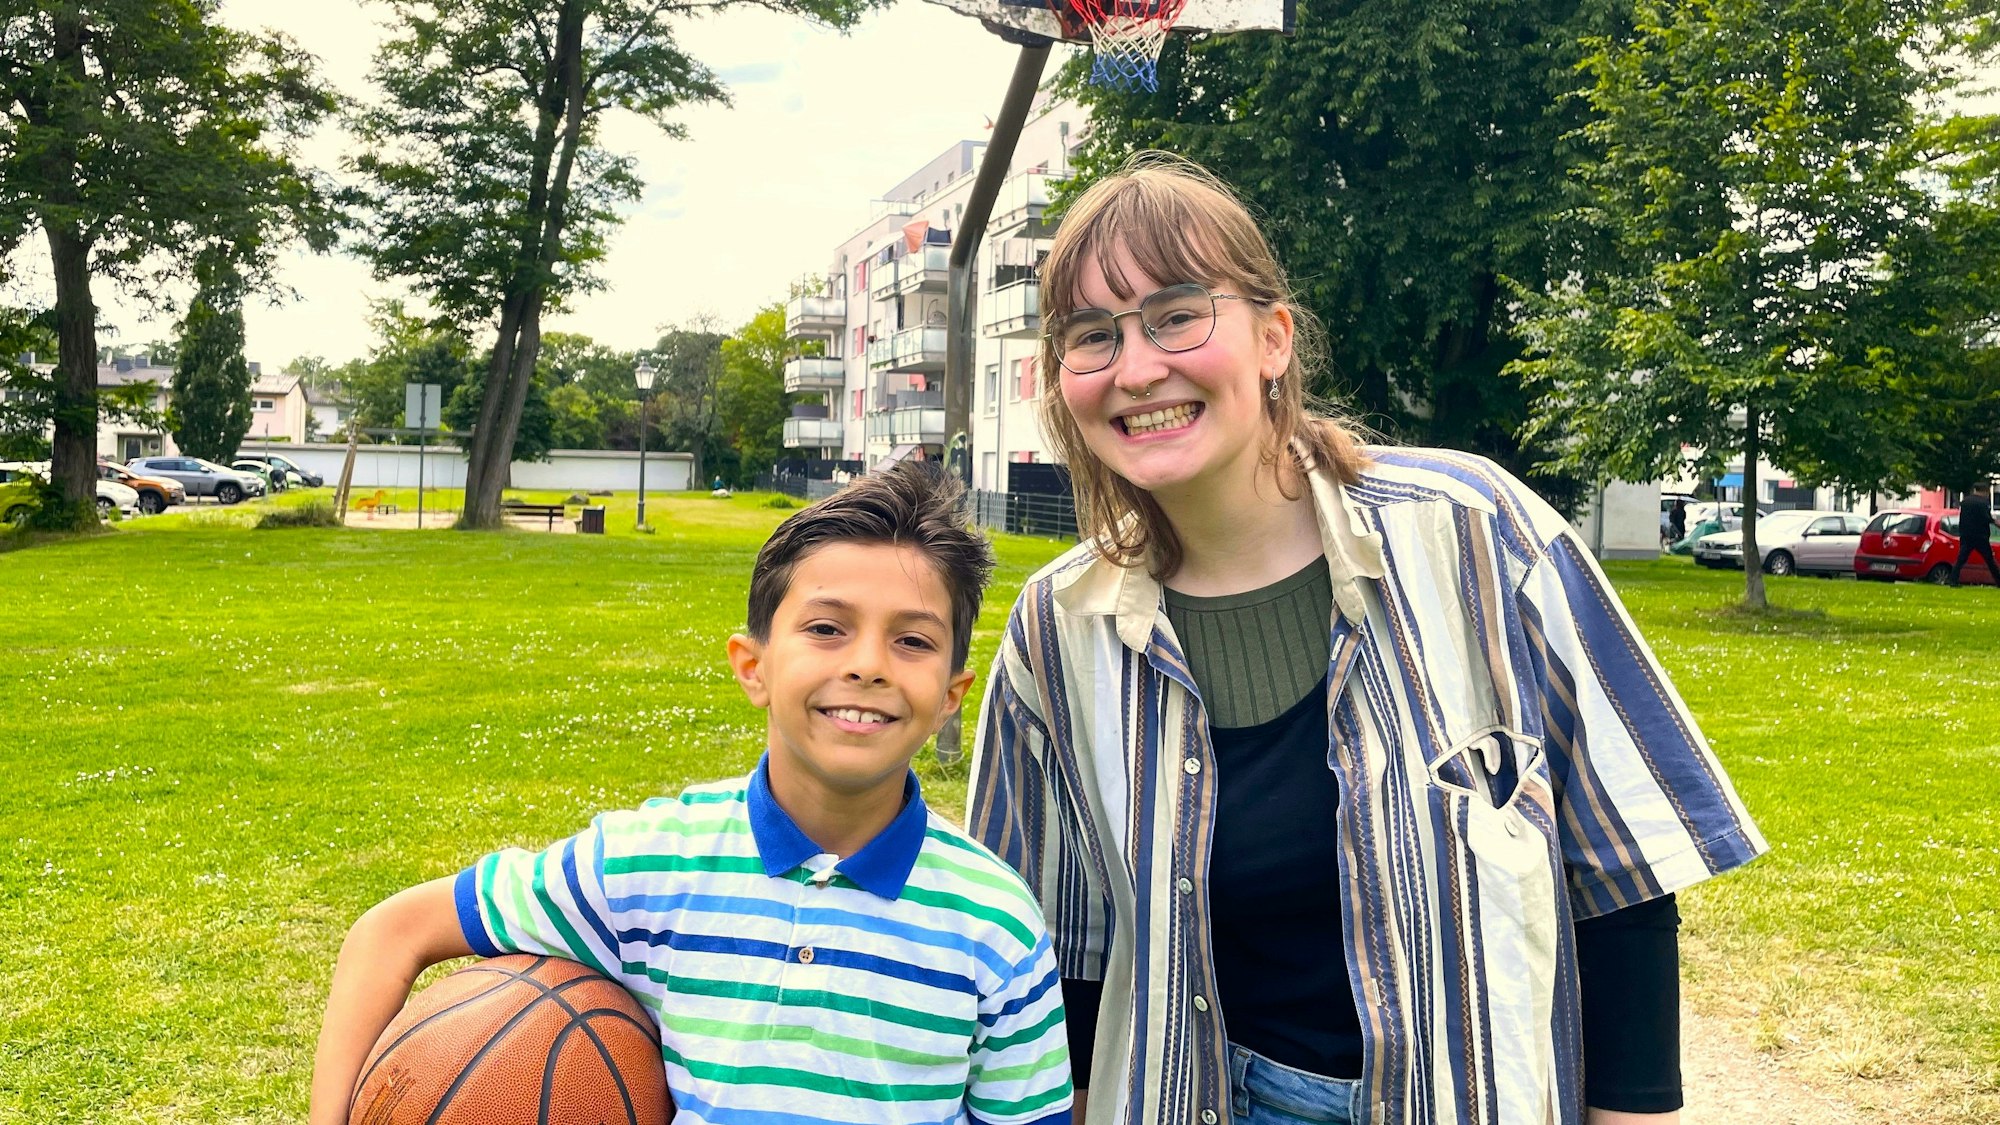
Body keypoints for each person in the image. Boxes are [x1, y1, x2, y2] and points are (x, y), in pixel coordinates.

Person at [966, 154, 1766, 1125]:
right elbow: (1062, 954)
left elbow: (1621, 878)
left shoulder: (1480, 535)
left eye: (1176, 314)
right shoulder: (1058, 631)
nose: (1136, 368)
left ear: (1271, 339)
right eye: (1092, 335)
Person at [309, 465, 1073, 1125]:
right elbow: (391, 932)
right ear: (753, 666)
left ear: (950, 695)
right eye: (827, 628)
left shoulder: (995, 922)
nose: (869, 664)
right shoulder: (649, 863)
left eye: (912, 640)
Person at [1950, 483, 1996, 586]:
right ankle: (1998, 580)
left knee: (1961, 559)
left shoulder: (1965, 502)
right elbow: (1986, 518)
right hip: (1980, 536)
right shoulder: (1983, 503)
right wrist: (1995, 522)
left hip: (1966, 535)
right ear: (1984, 491)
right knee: (1990, 560)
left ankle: (1953, 579)